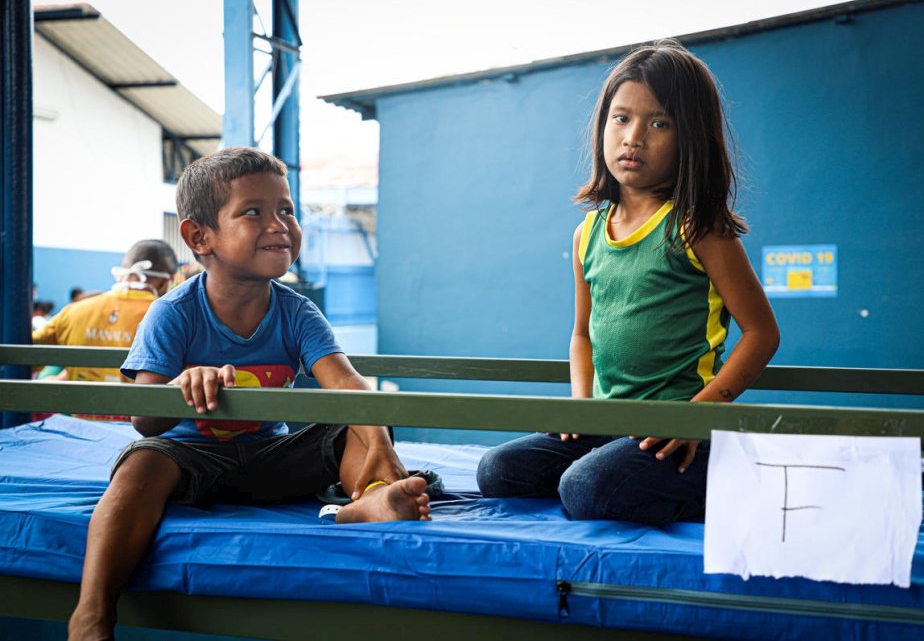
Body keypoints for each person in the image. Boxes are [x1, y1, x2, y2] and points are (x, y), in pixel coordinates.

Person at [67, 147, 431, 640]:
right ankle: (92, 611)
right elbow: (143, 419)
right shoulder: (174, 312)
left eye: (287, 210)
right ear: (200, 237)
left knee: (356, 421)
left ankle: (367, 500)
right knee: (140, 461)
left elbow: (345, 384)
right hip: (191, 460)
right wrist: (180, 386)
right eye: (253, 212)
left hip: (271, 458)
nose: (280, 224)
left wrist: (382, 445)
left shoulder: (297, 311)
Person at [476, 40, 780, 525]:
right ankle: (623, 469)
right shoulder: (587, 233)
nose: (633, 137)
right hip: (609, 423)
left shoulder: (697, 227)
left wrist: (697, 419)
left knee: (585, 487)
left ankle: (721, 475)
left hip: (681, 428)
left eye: (659, 123)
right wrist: (581, 409)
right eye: (621, 118)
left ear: (691, 138)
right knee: (499, 470)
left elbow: (763, 333)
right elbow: (582, 334)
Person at [32, 239, 179, 384]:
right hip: (136, 407)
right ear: (165, 282)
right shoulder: (171, 318)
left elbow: (25, 358)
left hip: (79, 406)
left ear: (122, 273)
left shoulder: (72, 312)